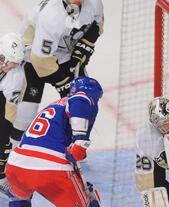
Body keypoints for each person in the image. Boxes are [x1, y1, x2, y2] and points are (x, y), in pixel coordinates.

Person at [5, 76, 126, 207]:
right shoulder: (79, 97)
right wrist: (80, 139)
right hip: (51, 168)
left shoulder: (52, 108)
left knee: (20, 197)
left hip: (17, 164)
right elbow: (81, 100)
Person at [6, 0, 104, 168]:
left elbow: (97, 25)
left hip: (65, 53)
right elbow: (41, 60)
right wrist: (64, 83)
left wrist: (84, 47)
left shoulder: (93, 3)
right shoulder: (51, 15)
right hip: (32, 57)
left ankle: (75, 146)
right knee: (25, 112)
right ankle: (13, 156)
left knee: (81, 103)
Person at [0, 33, 26, 197]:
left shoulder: (16, 76)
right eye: (11, 63)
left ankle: (1, 177)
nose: (13, 66)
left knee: (4, 138)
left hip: (4, 97)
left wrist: (6, 135)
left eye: (17, 64)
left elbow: (10, 109)